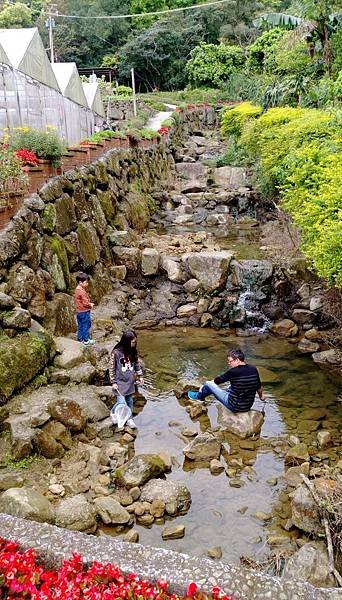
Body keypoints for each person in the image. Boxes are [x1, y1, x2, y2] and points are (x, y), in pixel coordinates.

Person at [188, 347, 266, 413]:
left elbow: (216, 381)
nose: (229, 363)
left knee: (209, 384)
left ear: (237, 360)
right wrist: (261, 396)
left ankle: (198, 396)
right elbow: (258, 387)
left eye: (230, 361)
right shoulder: (253, 369)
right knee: (231, 385)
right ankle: (203, 395)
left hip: (234, 406)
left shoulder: (233, 372)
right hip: (247, 406)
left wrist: (203, 386)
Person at [109, 330, 144, 429]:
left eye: (135, 342)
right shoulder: (116, 353)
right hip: (119, 382)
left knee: (129, 401)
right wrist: (113, 382)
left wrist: (140, 377)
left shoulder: (133, 351)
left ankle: (129, 418)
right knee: (121, 402)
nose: (134, 344)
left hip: (130, 381)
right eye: (133, 342)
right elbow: (111, 368)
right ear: (126, 342)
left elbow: (137, 365)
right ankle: (113, 412)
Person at [74, 273, 95, 346]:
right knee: (86, 325)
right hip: (84, 311)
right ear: (80, 282)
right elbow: (85, 303)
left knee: (80, 325)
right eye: (86, 282)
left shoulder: (77, 289)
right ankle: (86, 340)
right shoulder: (81, 291)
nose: (87, 283)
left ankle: (80, 339)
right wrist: (90, 305)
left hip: (79, 311)